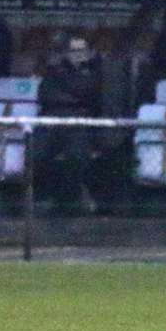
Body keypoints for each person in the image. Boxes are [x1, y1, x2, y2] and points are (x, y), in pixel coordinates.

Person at [35, 33, 115, 215]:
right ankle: (45, 197)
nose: (77, 54)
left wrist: (65, 82)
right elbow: (45, 95)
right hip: (52, 118)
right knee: (37, 153)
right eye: (73, 50)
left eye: (81, 50)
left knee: (76, 156)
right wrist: (72, 89)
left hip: (81, 120)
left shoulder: (97, 71)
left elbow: (88, 91)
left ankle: (72, 199)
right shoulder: (53, 71)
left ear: (89, 52)